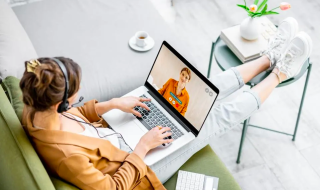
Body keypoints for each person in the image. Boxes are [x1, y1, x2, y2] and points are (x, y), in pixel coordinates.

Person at [21, 17, 312, 189]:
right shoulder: (66, 156)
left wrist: (112, 104)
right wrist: (143, 146)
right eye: (77, 94)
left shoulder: (34, 105)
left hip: (118, 136)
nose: (79, 97)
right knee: (214, 119)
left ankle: (268, 57)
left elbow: (78, 114)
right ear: (58, 104)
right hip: (137, 168)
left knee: (204, 91)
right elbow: (112, 187)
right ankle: (282, 72)